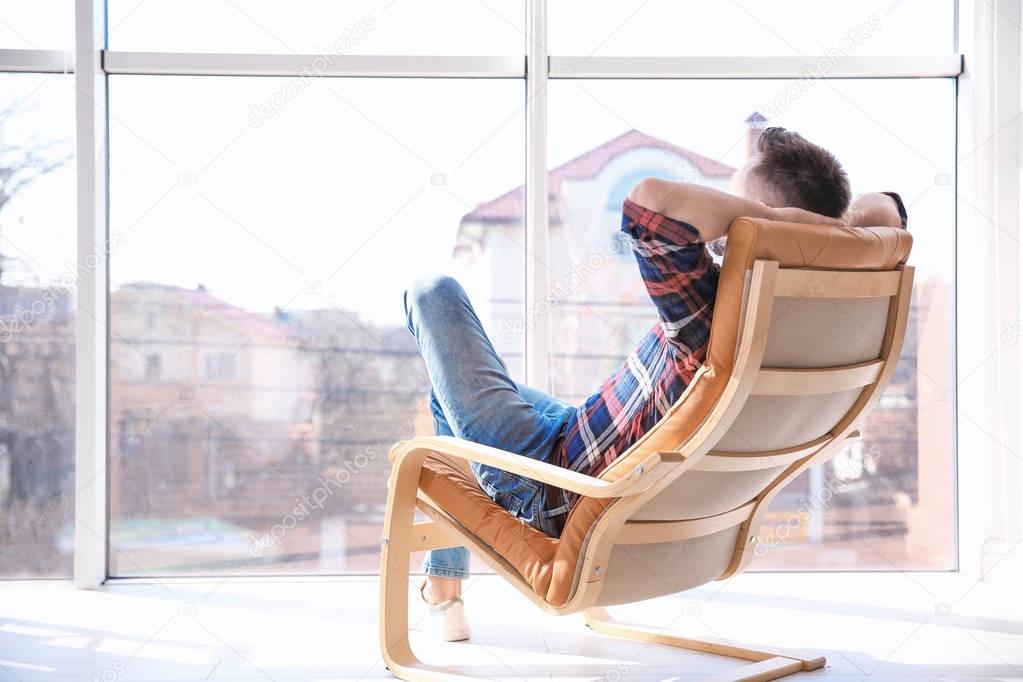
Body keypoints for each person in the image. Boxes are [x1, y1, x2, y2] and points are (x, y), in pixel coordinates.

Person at [402, 127, 908, 641]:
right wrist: (816, 228)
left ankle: (442, 594)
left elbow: (649, 202)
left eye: (736, 201)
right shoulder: (812, 322)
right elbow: (889, 212)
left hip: (554, 483)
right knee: (444, 397)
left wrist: (769, 224)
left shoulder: (711, 313)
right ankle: (443, 589)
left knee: (431, 290)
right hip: (577, 436)